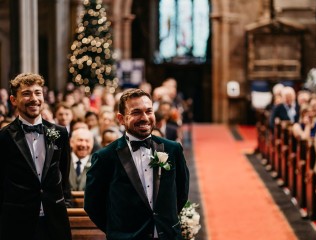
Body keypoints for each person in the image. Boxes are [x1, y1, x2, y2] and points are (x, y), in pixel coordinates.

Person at [85, 88, 189, 240]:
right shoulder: (105, 157)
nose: (145, 117)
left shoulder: (173, 150)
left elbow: (181, 193)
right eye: (136, 112)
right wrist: (118, 232)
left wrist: (165, 222)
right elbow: (92, 205)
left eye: (149, 111)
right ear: (121, 119)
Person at [0, 73, 72, 240]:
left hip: (55, 221)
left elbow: (63, 173)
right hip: (17, 223)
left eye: (38, 93)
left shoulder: (59, 133)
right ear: (13, 100)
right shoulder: (4, 137)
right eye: (26, 93)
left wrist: (63, 202)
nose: (34, 98)